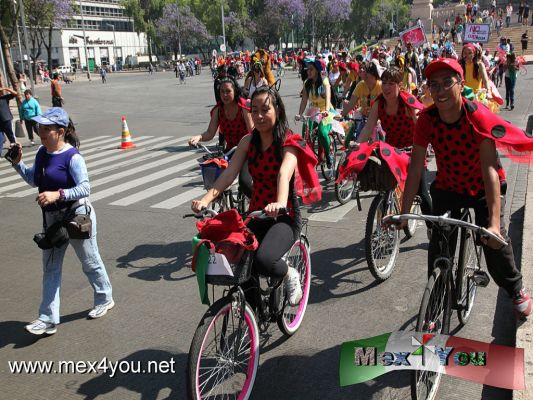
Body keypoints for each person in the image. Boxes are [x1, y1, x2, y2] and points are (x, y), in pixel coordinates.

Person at [396, 57, 533, 320]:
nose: (440, 91)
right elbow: (415, 168)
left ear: (460, 85)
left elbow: (489, 170)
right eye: (433, 85)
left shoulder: (477, 116)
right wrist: (404, 212)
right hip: (449, 186)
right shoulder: (426, 119)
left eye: (447, 82)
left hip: (483, 187)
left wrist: (493, 224)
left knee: (494, 244)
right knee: (439, 245)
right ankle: (436, 298)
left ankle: (515, 288)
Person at [191, 86, 321, 306]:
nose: (259, 116)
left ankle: (290, 273)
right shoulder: (248, 142)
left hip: (284, 216)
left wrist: (279, 203)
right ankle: (252, 316)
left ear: (277, 110)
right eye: (254, 110)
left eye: (265, 109)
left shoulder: (289, 142)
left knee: (263, 260)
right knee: (239, 260)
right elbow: (229, 174)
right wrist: (206, 199)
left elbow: (283, 173)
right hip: (256, 214)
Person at [9, 107, 114, 335]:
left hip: (76, 215)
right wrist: (18, 164)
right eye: (39, 128)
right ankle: (47, 319)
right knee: (50, 267)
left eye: (46, 129)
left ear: (61, 131)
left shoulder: (72, 157)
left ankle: (105, 298)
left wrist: (59, 194)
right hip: (52, 219)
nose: (41, 133)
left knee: (89, 260)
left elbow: (86, 187)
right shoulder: (41, 152)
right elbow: (33, 179)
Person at [355, 67, 432, 219]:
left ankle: (433, 229)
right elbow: (368, 128)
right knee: (384, 187)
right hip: (392, 150)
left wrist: (427, 145)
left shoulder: (407, 102)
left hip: (413, 149)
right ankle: (383, 226)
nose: (386, 87)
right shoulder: (379, 103)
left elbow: (421, 125)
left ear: (399, 86)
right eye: (384, 83)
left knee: (421, 192)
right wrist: (356, 146)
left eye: (391, 83)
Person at [296, 59, 342, 167]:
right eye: (308, 69)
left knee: (322, 132)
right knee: (305, 133)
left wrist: (326, 110)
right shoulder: (307, 83)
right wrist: (300, 114)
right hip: (313, 111)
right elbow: (304, 101)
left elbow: (328, 97)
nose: (308, 72)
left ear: (317, 70)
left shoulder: (324, 81)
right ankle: (310, 156)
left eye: (311, 69)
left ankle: (328, 154)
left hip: (325, 111)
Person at [189, 76, 253, 152]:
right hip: (229, 151)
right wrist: (199, 137)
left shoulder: (243, 107)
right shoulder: (218, 110)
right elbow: (210, 133)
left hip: (247, 150)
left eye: (228, 91)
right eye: (222, 91)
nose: (224, 95)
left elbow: (252, 132)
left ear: (235, 91)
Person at [339, 60, 383, 141]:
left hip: (379, 120)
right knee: (358, 138)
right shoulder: (360, 85)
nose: (363, 73)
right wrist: (341, 115)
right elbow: (351, 104)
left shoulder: (381, 86)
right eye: (363, 71)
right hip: (364, 118)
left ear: (374, 74)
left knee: (382, 141)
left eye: (366, 72)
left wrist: (380, 120)